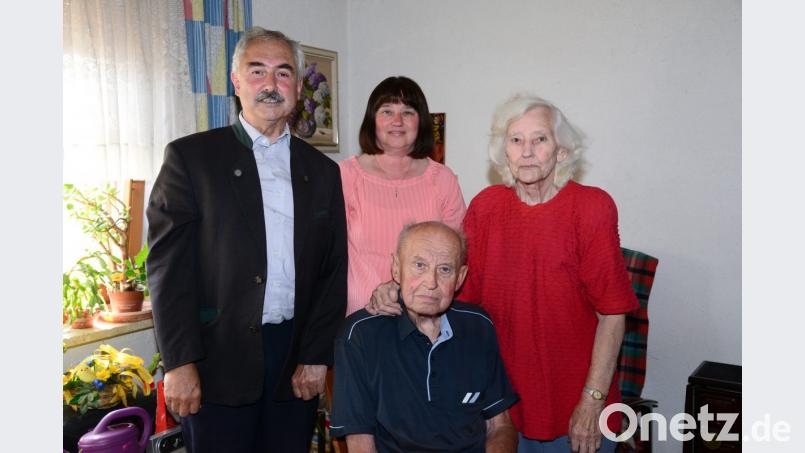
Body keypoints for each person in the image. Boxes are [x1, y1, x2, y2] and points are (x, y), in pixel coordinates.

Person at [368, 94, 638, 453]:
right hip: (499, 404)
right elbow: (453, 292)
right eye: (516, 140)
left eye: (539, 139)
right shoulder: (487, 207)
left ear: (561, 151)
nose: (527, 152)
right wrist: (396, 288)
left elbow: (612, 314)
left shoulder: (591, 208)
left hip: (576, 404)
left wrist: (592, 401)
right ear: (504, 152)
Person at [146, 27, 347, 453]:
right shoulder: (191, 159)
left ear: (298, 87)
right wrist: (180, 363)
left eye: (283, 73)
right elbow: (168, 272)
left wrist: (316, 356)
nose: (270, 84)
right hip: (216, 359)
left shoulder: (323, 172)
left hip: (294, 362)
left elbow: (332, 271)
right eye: (257, 71)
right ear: (236, 82)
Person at [331, 221, 519, 452]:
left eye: (445, 270)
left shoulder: (478, 326)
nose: (431, 283)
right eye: (419, 265)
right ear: (396, 268)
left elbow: (500, 426)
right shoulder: (359, 335)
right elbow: (360, 442)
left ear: (460, 278)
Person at [339, 76, 466, 316]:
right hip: (359, 318)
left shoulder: (443, 180)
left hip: (424, 318)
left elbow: (453, 256)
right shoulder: (344, 176)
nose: (397, 121)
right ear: (372, 121)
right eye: (387, 111)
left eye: (408, 112)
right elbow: (327, 257)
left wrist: (396, 288)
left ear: (421, 122)